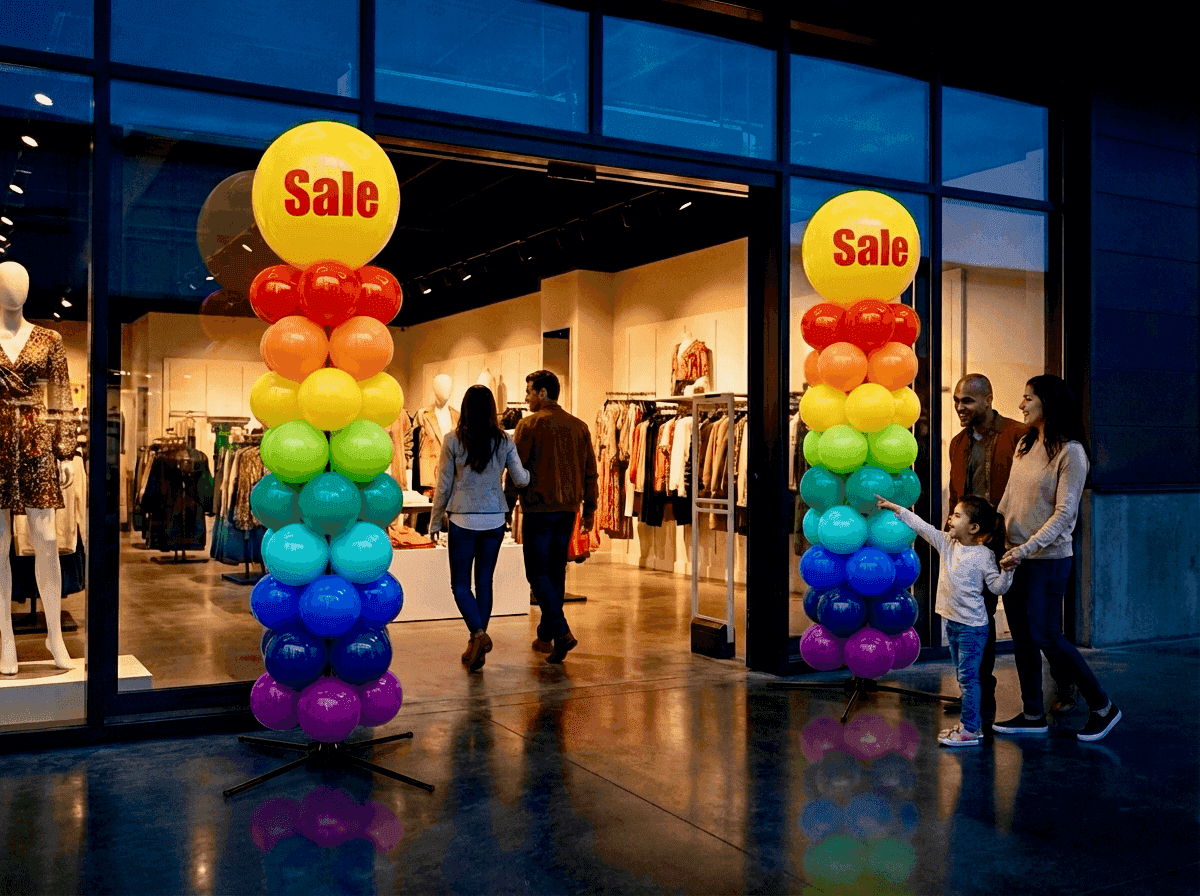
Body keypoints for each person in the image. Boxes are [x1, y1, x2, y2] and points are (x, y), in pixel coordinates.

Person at [992, 375, 1121, 742]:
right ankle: (1033, 713)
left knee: (1046, 635)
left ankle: (1103, 706)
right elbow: (1009, 499)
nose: (1021, 405)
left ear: (1048, 403)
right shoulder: (1025, 443)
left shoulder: (1072, 453)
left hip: (1047, 559)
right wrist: (994, 538)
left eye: (1028, 397)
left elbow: (1065, 515)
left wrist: (1026, 549)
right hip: (1014, 556)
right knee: (1021, 637)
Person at [877, 494, 1013, 746]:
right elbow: (921, 526)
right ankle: (968, 726)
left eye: (958, 515)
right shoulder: (947, 543)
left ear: (973, 528)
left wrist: (1008, 571)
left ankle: (971, 730)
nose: (951, 518)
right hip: (951, 623)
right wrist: (898, 508)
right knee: (964, 677)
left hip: (973, 629)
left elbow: (997, 588)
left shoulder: (984, 556)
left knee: (968, 679)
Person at [945, 373, 1030, 723]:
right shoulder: (957, 443)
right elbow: (957, 496)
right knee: (976, 621)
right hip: (974, 547)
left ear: (988, 399)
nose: (959, 408)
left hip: (1012, 543)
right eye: (956, 401)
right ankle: (979, 695)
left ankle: (1038, 703)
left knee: (1025, 625)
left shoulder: (1018, 435)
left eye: (967, 400)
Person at [428, 385, 529, 672]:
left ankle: (479, 635)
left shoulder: (453, 440)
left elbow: (444, 486)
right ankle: (477, 644)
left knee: (460, 584)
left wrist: (435, 520)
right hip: (495, 519)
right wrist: (531, 473)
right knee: (485, 582)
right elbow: (520, 479)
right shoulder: (503, 441)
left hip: (462, 520)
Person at [505, 370, 598, 663]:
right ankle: (547, 636)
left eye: (529, 391)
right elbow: (590, 472)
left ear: (543, 393)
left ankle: (562, 632)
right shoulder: (579, 426)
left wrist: (506, 507)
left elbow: (516, 471)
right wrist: (590, 510)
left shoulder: (528, 425)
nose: (526, 397)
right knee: (555, 572)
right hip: (568, 509)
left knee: (536, 573)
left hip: (538, 509)